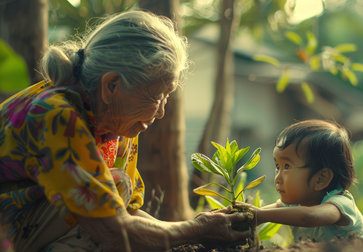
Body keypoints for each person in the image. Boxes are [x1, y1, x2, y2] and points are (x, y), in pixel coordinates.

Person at [0, 10, 250, 251]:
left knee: (115, 186)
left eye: (167, 97)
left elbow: (126, 213)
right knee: (108, 197)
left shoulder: (115, 122)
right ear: (111, 86)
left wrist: (194, 228)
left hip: (32, 229)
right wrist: (196, 229)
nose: (161, 112)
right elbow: (117, 233)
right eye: (156, 96)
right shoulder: (55, 115)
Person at [244, 119, 363, 241]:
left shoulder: (340, 204)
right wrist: (244, 215)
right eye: (278, 166)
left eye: (287, 166)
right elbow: (266, 212)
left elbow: (309, 217)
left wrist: (259, 216)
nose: (277, 178)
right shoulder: (296, 203)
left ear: (321, 179)